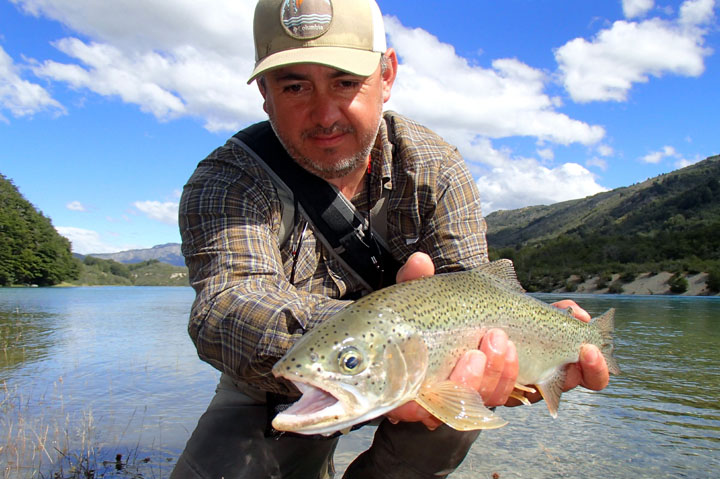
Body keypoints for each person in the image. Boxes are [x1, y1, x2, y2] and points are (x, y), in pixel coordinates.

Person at [170, 1, 611, 478]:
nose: (324, 114)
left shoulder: (437, 169)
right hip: (281, 378)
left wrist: (534, 356)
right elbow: (226, 310)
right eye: (294, 85)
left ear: (387, 75)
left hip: (419, 375)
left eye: (345, 82)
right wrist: (380, 345)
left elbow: (482, 298)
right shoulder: (227, 181)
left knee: (453, 415)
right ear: (264, 92)